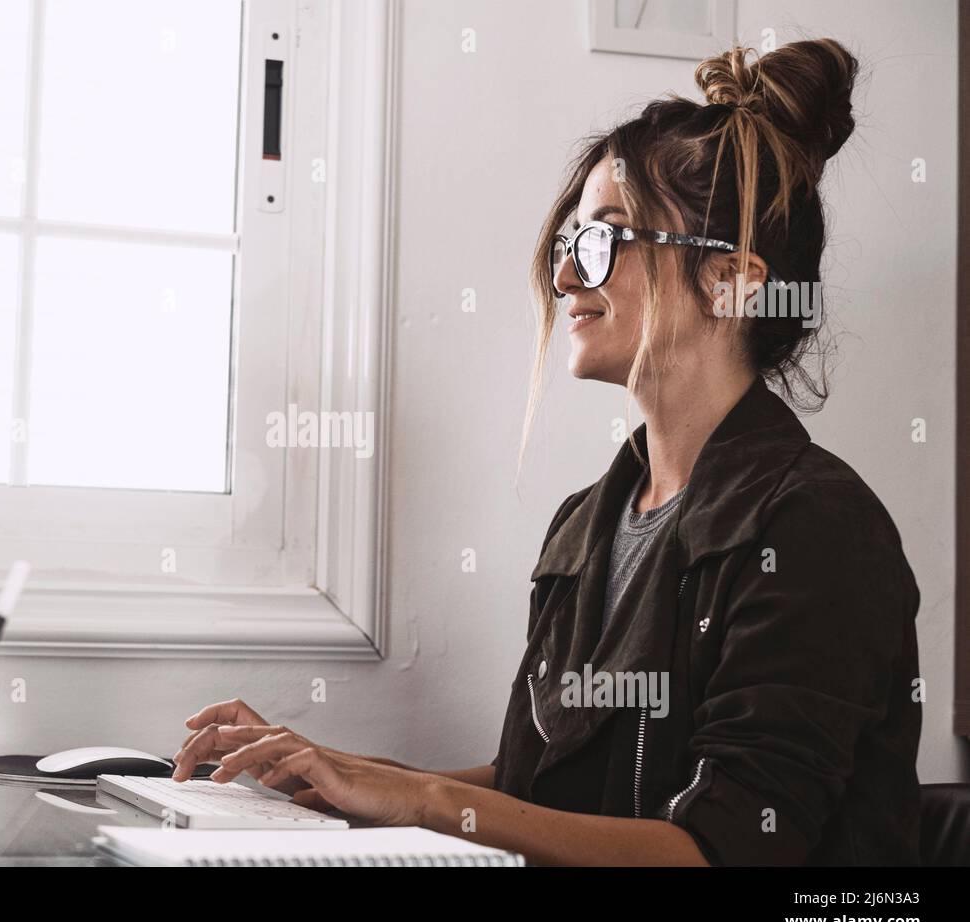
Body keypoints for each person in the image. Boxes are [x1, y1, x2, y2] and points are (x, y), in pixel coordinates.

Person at [171, 38, 922, 866]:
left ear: (732, 281)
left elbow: (725, 848)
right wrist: (334, 777)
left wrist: (425, 798)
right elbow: (541, 795)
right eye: (572, 241)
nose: (564, 275)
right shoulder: (584, 527)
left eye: (603, 240)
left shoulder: (818, 527)